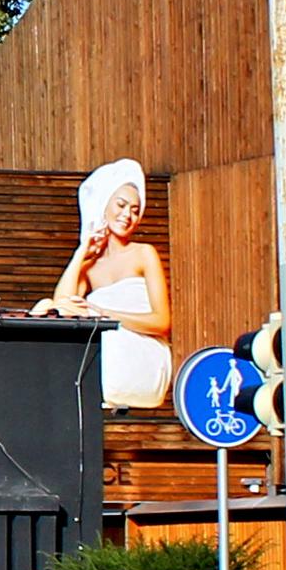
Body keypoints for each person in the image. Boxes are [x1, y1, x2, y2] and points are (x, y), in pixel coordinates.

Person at [49, 157, 174, 411]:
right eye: (121, 205)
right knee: (47, 308)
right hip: (104, 372)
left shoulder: (144, 254)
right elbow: (61, 306)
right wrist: (82, 252)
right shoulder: (89, 267)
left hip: (143, 362)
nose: (127, 215)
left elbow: (162, 322)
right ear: (104, 204)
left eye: (135, 210)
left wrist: (104, 315)